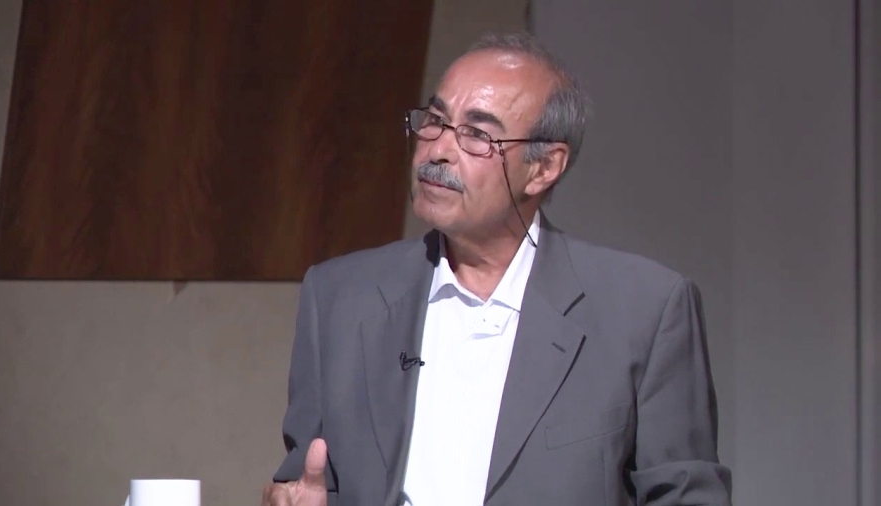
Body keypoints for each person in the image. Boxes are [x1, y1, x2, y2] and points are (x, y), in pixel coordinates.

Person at [261, 32, 732, 506]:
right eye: (436, 121)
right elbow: (307, 480)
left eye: (477, 135)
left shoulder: (644, 310)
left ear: (544, 167)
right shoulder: (339, 297)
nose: (437, 150)